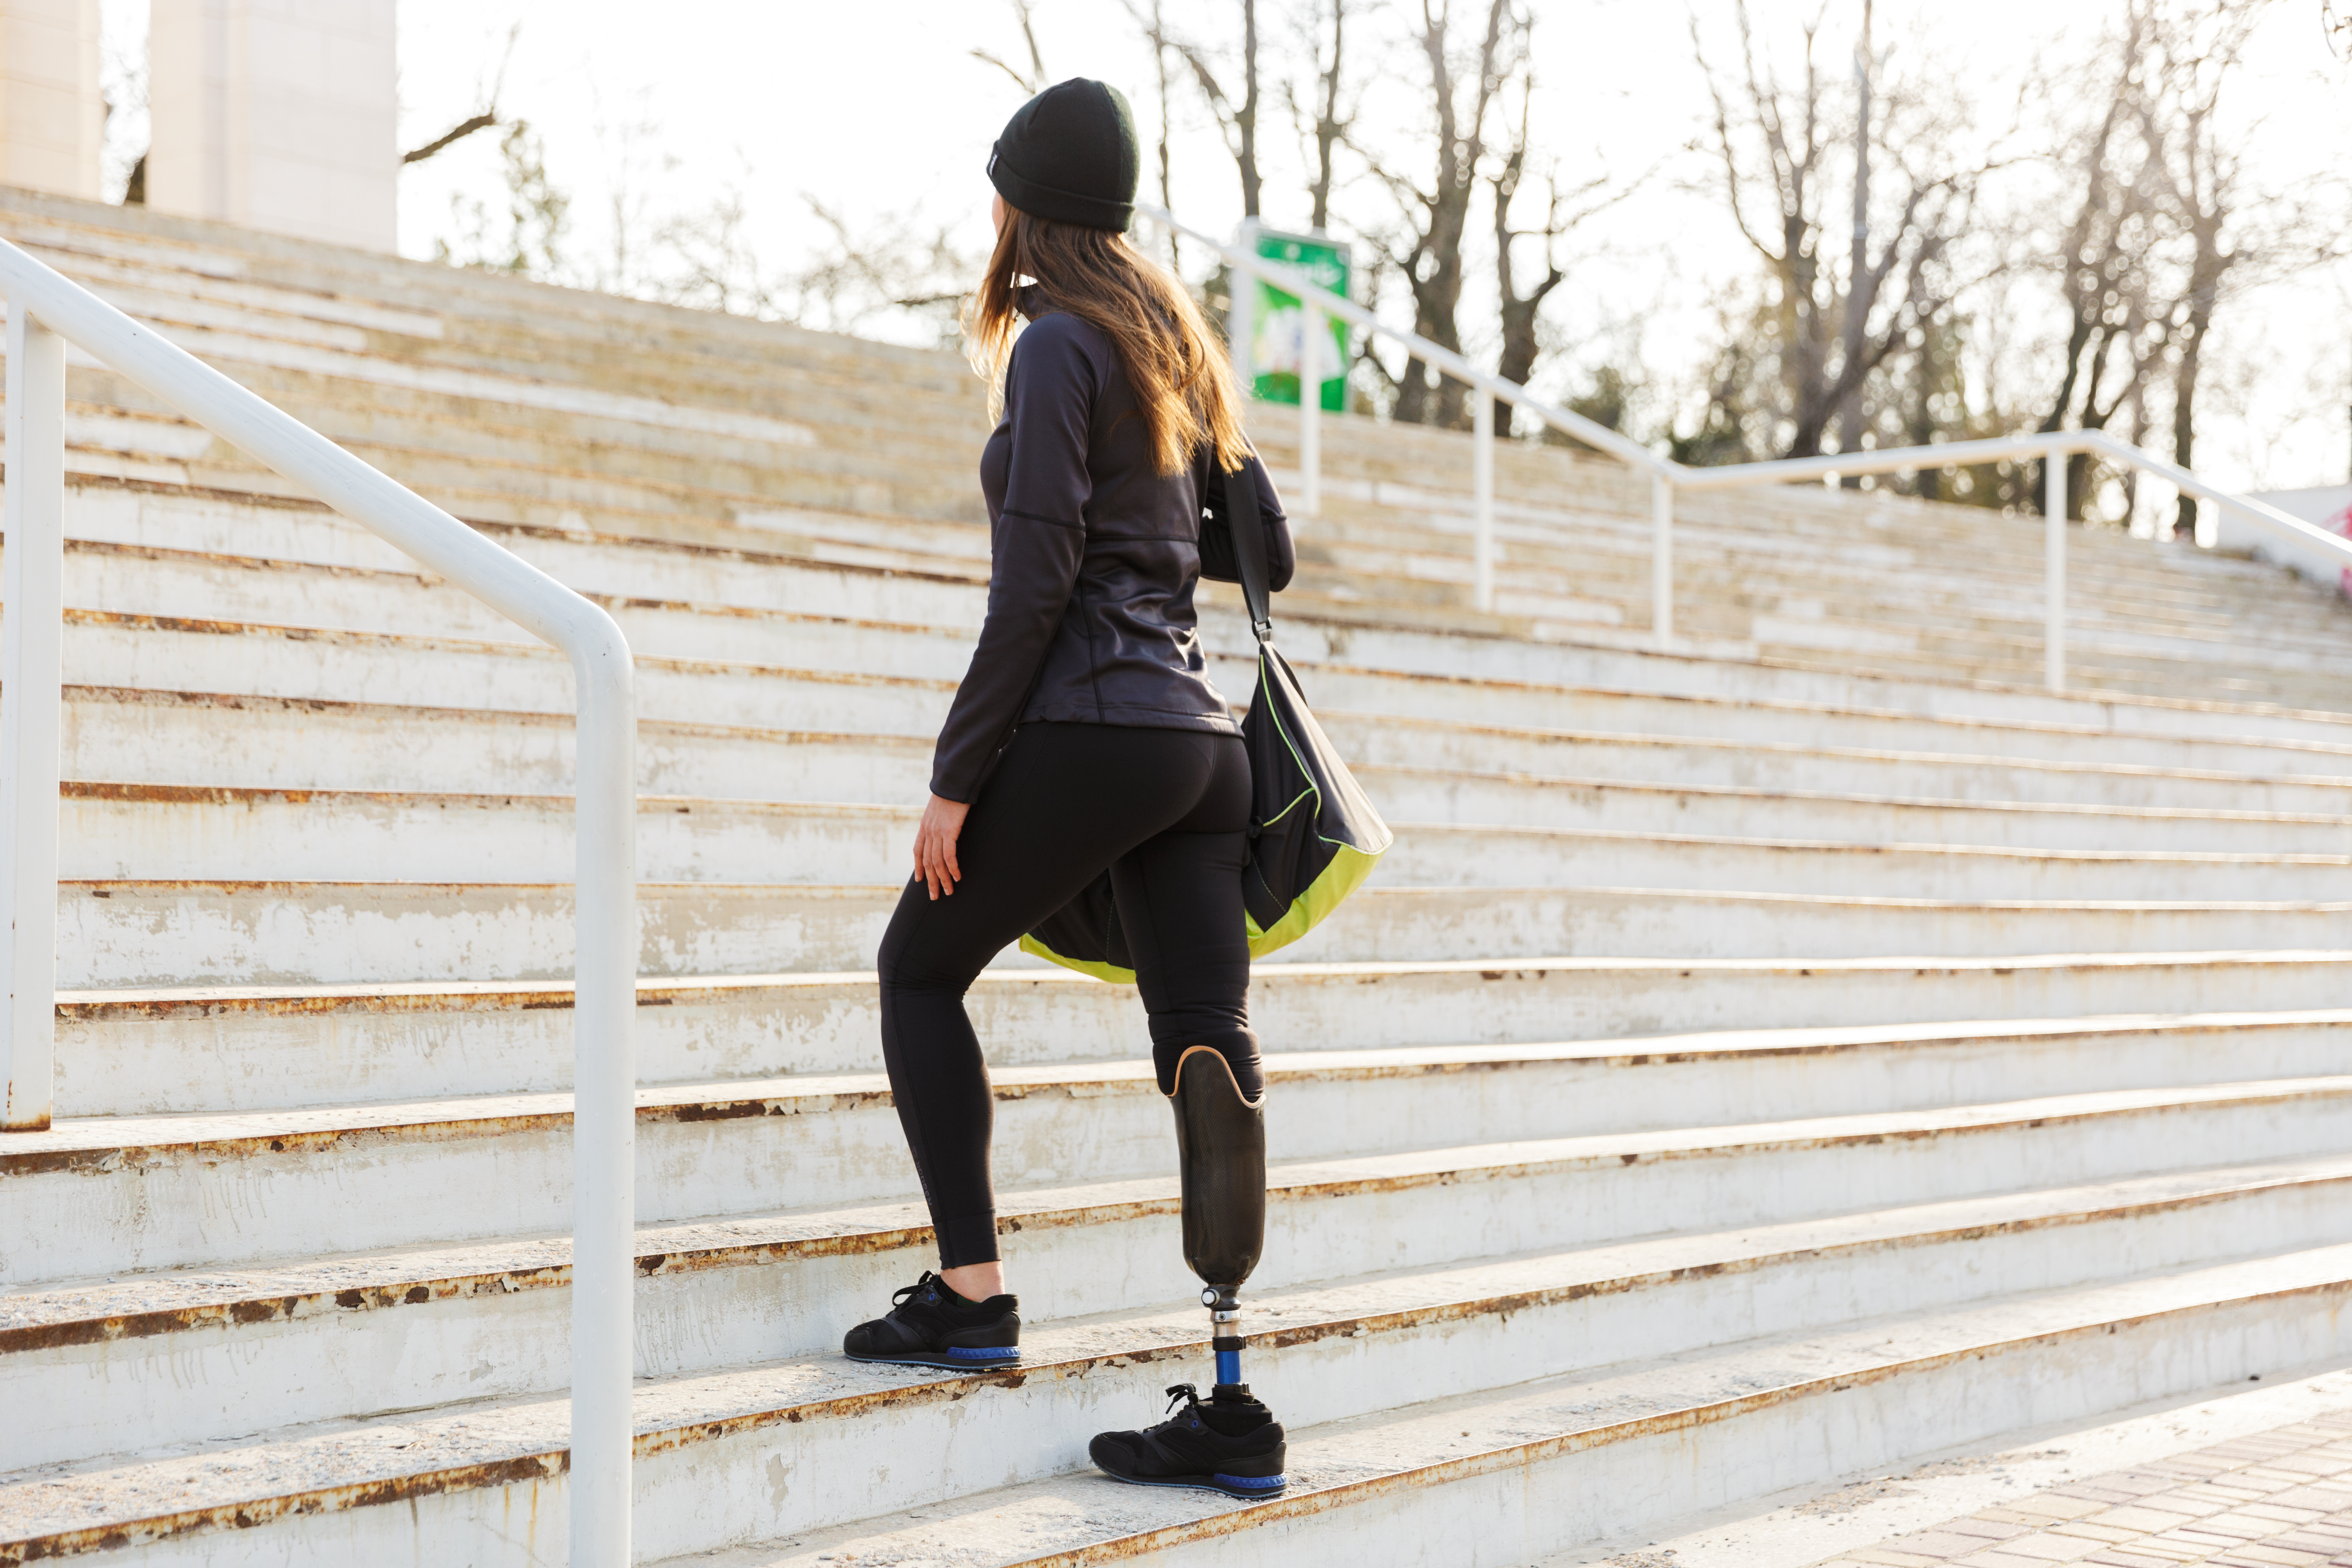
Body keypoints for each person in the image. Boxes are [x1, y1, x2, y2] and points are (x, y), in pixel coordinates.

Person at [838, 77, 1295, 1501]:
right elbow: (1263, 545)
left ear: (1022, 205)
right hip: (1201, 747)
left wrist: (955, 781)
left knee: (917, 971)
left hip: (1096, 725)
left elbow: (1032, 583)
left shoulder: (1053, 347)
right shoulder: (1171, 349)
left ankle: (970, 1298)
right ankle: (1231, 1403)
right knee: (1205, 1053)